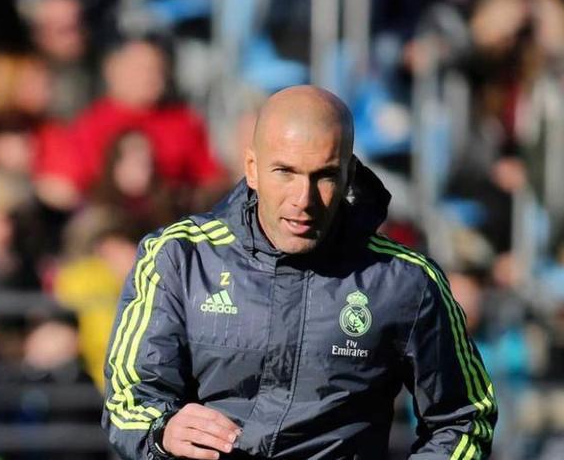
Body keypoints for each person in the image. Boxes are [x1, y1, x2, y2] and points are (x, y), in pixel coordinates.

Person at [102, 85, 497, 459]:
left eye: (324, 175)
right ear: (252, 169)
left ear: (348, 175)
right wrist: (162, 432)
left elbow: (465, 417)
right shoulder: (179, 256)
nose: (303, 200)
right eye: (285, 172)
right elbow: (128, 400)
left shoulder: (406, 280)